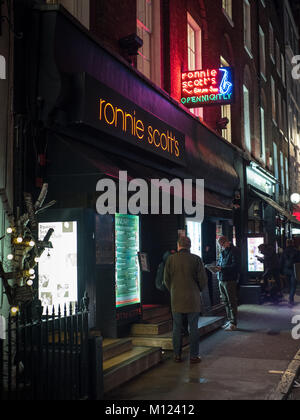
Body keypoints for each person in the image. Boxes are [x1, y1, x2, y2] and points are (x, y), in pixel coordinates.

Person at [164, 236, 207, 364]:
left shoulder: (171, 259)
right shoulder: (196, 259)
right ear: (190, 246)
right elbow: (203, 280)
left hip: (176, 298)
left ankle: (177, 355)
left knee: (177, 327)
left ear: (178, 246)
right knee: (193, 327)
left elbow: (166, 280)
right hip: (193, 298)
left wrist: (173, 289)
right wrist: (197, 289)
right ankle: (194, 356)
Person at [216, 236, 240, 331]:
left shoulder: (234, 251)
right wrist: (217, 267)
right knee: (225, 301)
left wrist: (222, 268)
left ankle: (233, 322)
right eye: (220, 246)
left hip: (230, 279)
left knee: (231, 301)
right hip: (221, 278)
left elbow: (236, 266)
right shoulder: (223, 252)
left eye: (222, 245)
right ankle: (230, 321)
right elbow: (221, 263)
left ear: (227, 242)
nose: (221, 247)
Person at [280, 239, 300, 307]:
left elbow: (281, 262)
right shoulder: (297, 251)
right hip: (294, 270)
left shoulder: (284, 252)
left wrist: (281, 271)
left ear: (287, 243)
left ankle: (290, 297)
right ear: (293, 243)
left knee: (288, 285)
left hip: (286, 270)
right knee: (293, 285)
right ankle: (291, 299)